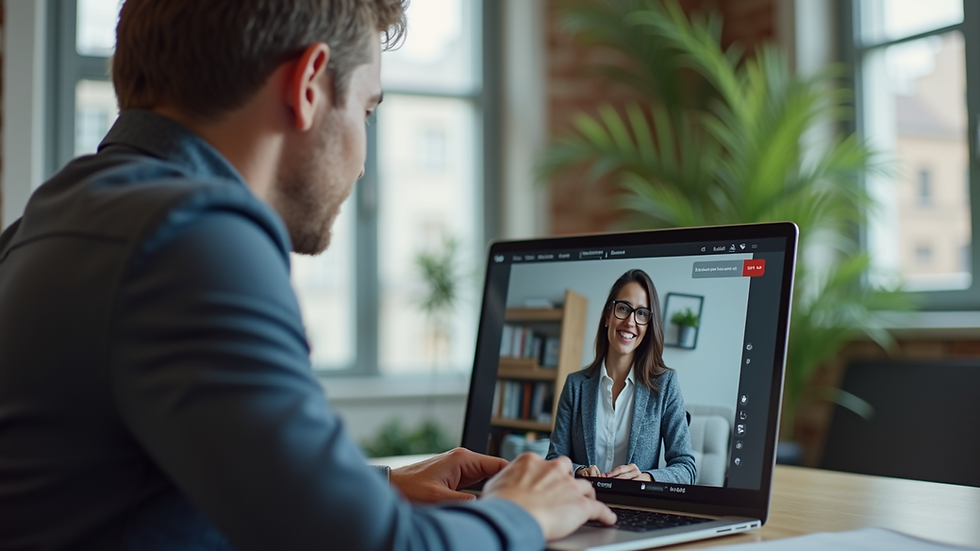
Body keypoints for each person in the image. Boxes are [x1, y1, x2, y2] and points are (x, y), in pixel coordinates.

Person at [0, 1, 616, 549]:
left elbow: (173, 482)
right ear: (310, 84)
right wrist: (522, 513)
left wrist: (375, 488)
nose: (362, 165)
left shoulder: (49, 219)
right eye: (368, 111)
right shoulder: (191, 235)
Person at [547, 269, 696, 484]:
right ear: (608, 316)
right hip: (580, 502)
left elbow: (687, 469)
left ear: (648, 326)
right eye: (623, 309)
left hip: (638, 507)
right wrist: (579, 471)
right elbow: (554, 459)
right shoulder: (575, 385)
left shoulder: (665, 385)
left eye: (642, 313)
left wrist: (645, 478)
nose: (630, 321)